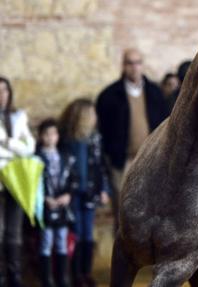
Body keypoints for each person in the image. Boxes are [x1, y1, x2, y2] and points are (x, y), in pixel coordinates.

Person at [96, 48, 168, 231]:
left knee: (154, 208)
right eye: (129, 63)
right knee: (123, 210)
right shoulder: (109, 96)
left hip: (152, 160)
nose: (134, 67)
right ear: (123, 65)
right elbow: (103, 131)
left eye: (137, 63)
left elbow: (165, 123)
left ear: (142, 65)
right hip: (122, 161)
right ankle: (123, 255)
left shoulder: (155, 93)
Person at [59, 99, 110, 287]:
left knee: (88, 234)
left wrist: (104, 189)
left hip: (89, 193)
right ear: (82, 117)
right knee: (76, 233)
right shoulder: (66, 140)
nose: (95, 117)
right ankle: (76, 275)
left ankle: (86, 273)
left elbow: (100, 165)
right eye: (92, 114)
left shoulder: (95, 138)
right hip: (71, 195)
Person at [0, 76, 35, 286]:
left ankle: (14, 277)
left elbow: (29, 147)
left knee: (14, 231)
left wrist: (7, 142)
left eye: (4, 90)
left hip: (16, 179)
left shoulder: (18, 116)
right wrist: (15, 147)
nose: (1, 95)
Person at [36, 119, 75, 287]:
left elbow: (73, 178)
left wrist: (68, 195)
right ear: (40, 136)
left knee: (61, 240)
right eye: (46, 134)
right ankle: (47, 280)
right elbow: (33, 183)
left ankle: (62, 279)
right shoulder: (36, 158)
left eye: (53, 134)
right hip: (45, 206)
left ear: (58, 136)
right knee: (46, 241)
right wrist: (44, 198)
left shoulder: (65, 156)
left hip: (63, 206)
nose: (50, 138)